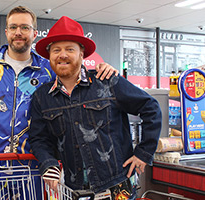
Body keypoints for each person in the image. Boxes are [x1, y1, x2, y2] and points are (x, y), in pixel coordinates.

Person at [0, 6, 118, 199]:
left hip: (34, 168)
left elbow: (75, 77)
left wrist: (101, 72)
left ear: (34, 33)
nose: (18, 33)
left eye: (25, 27)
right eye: (13, 27)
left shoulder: (48, 68)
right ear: (6, 32)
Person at [29, 16, 162, 199]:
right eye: (56, 50)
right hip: (76, 190)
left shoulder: (107, 81)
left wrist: (144, 152)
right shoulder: (42, 97)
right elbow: (38, 138)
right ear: (49, 55)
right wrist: (48, 163)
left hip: (117, 186)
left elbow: (150, 107)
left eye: (70, 49)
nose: (63, 55)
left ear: (82, 54)